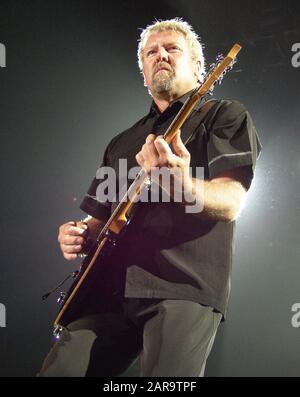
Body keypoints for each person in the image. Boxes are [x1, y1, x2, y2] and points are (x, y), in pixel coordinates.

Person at [39, 18, 261, 377]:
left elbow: (232, 200)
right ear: (143, 71)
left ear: (198, 65)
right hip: (107, 292)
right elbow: (99, 219)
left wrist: (182, 185)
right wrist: (79, 232)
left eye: (172, 48)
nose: (161, 56)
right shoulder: (122, 141)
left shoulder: (224, 115)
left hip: (182, 285)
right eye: (150, 52)